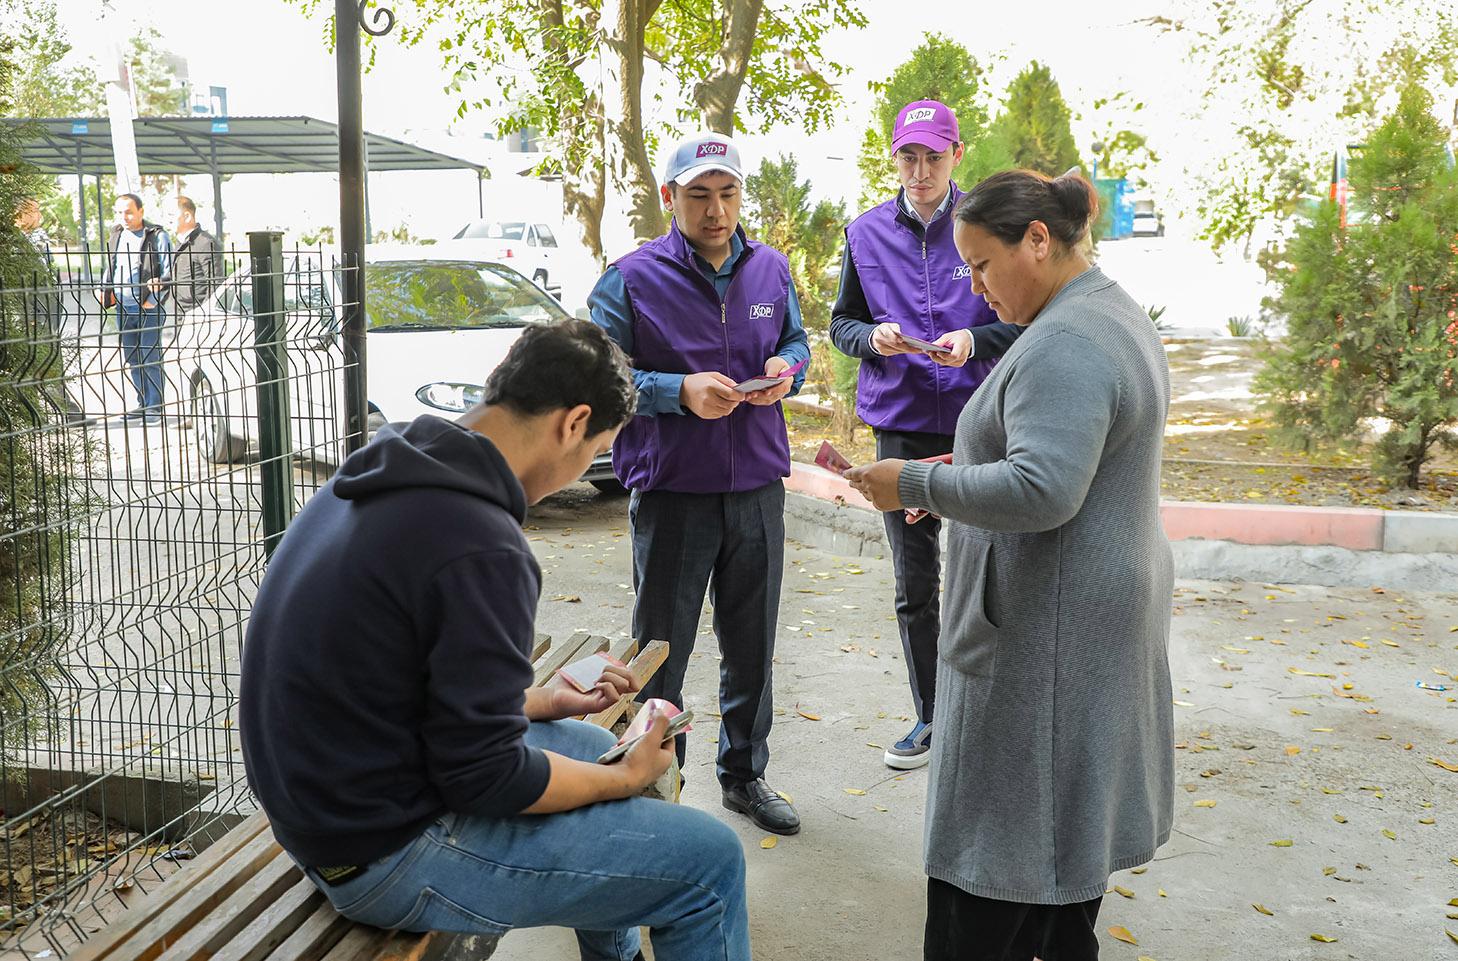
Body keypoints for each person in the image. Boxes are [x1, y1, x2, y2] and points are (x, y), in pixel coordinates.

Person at [240, 320, 751, 961]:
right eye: (601, 444)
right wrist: (621, 782)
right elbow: (487, 778)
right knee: (710, 862)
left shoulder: (393, 464)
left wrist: (539, 703)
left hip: (321, 811)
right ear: (574, 423)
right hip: (380, 854)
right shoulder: (481, 542)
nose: (579, 472)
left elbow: (399, 688)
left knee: (594, 742)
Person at [844, 170, 1175, 961]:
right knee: (1061, 878)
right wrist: (961, 469)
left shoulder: (1066, 340)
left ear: (1037, 239)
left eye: (983, 265)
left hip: (1042, 643)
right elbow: (1056, 455)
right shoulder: (1103, 310)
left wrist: (914, 481)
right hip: (1078, 622)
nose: (977, 288)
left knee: (995, 875)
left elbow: (1044, 486)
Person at [588, 132, 810, 836]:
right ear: (670, 198)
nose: (716, 211)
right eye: (699, 195)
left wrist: (788, 369)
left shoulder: (771, 269)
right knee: (660, 653)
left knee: (752, 644)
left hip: (758, 492)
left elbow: (798, 342)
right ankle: (655, 785)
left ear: (741, 195)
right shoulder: (628, 278)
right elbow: (600, 376)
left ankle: (744, 776)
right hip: (674, 494)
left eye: (728, 193)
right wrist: (675, 390)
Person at [830, 99, 1022, 770]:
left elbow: (1024, 321)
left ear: (956, 155)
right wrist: (871, 338)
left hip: (979, 425)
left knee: (990, 575)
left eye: (932, 157)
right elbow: (841, 324)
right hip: (903, 430)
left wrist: (973, 339)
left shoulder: (988, 227)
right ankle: (932, 715)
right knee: (915, 583)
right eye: (908, 157)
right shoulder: (864, 233)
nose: (919, 170)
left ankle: (991, 713)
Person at [101, 193, 172, 425]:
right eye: (120, 212)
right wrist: (105, 290)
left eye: (129, 211)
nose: (125, 217)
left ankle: (155, 407)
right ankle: (142, 403)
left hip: (147, 306)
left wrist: (154, 298)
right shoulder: (116, 234)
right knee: (132, 356)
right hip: (123, 306)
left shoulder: (156, 235)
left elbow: (168, 273)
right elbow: (111, 264)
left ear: (141, 211)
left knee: (150, 355)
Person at [171, 195, 221, 314]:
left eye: (171, 215)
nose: (168, 219)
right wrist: (162, 281)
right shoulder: (180, 242)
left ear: (187, 216)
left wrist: (203, 313)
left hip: (196, 313)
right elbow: (180, 273)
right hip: (179, 310)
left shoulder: (205, 243)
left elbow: (215, 282)